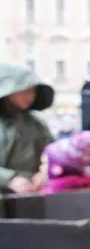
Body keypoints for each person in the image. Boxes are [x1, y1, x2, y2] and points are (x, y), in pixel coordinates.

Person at [0, 63, 54, 194]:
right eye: (24, 91)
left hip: (31, 194)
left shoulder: (36, 124)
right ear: (8, 92)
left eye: (33, 91)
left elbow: (52, 152)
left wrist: (45, 172)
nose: (30, 97)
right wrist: (9, 179)